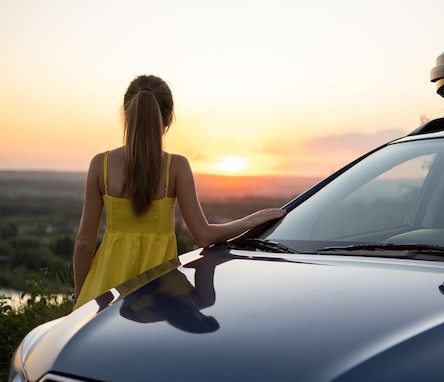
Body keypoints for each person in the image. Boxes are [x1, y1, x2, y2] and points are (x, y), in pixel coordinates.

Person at [72, 74, 285, 309]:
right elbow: (203, 235)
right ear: (167, 120)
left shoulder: (100, 165)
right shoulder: (176, 167)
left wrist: (80, 298)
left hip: (104, 294)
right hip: (161, 295)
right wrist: (252, 220)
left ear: (126, 114)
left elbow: (84, 242)